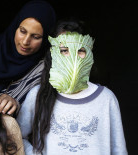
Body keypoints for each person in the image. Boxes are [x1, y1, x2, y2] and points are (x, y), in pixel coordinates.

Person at [16, 19, 128, 154]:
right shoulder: (38, 94)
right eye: (64, 50)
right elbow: (18, 136)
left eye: (80, 50)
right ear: (53, 54)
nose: (72, 56)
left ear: (89, 55)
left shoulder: (106, 98)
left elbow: (119, 149)